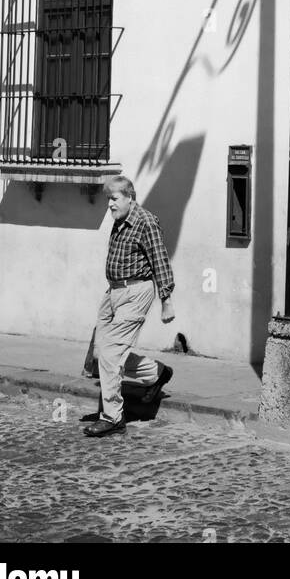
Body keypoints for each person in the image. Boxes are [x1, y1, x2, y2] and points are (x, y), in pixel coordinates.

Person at [82, 176, 176, 438]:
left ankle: (112, 417)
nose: (109, 205)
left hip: (136, 292)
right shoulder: (120, 220)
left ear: (129, 197)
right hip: (114, 290)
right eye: (108, 199)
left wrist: (166, 300)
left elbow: (160, 260)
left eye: (114, 199)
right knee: (99, 354)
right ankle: (156, 373)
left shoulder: (145, 222)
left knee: (111, 352)